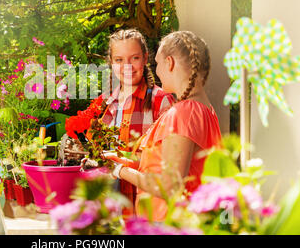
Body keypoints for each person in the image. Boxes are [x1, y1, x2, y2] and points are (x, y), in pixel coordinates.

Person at [104, 30, 222, 222]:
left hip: (168, 223)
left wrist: (119, 171)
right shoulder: (202, 109)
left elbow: (170, 185)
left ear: (170, 63)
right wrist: (120, 160)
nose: (156, 72)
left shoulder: (184, 112)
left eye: (157, 64)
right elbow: (160, 165)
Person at [69, 28, 174, 213]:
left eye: (134, 58)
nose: (127, 67)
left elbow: (168, 162)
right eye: (119, 60)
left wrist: (120, 166)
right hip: (111, 205)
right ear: (111, 62)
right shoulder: (106, 102)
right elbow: (97, 152)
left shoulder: (161, 100)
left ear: (146, 58)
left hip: (146, 208)